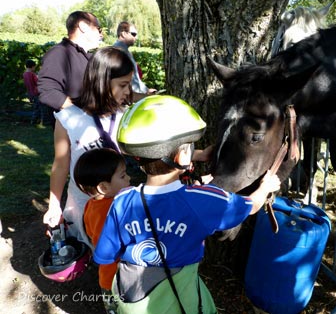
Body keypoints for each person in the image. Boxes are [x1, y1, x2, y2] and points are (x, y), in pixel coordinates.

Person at [93, 95, 281, 314]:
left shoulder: (121, 202)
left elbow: (106, 254)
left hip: (132, 303)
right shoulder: (203, 199)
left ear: (137, 157)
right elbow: (249, 205)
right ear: (183, 156)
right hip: (180, 300)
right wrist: (265, 187)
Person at [42, 46, 134, 250]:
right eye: (123, 84)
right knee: (95, 247)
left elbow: (138, 150)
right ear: (102, 82)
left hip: (120, 201)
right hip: (84, 203)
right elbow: (61, 163)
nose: (128, 91)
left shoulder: (124, 116)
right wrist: (54, 204)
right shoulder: (67, 118)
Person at [74, 148, 131, 314]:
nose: (129, 178)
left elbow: (92, 234)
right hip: (124, 277)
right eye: (122, 176)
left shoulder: (89, 206)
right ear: (104, 187)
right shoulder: (120, 206)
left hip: (106, 278)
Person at [37, 11, 103, 127]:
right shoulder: (60, 53)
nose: (101, 35)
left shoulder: (88, 57)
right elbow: (48, 91)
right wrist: (84, 115)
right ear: (83, 26)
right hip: (73, 133)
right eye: (99, 29)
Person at [113, 21, 154, 100]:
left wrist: (146, 90)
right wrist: (145, 95)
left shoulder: (125, 51)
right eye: (133, 34)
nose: (136, 37)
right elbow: (124, 82)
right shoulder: (118, 52)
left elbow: (135, 79)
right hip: (128, 100)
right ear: (123, 34)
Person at [23, 59, 44, 124]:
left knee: (36, 106)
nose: (34, 68)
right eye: (34, 67)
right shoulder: (32, 74)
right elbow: (38, 82)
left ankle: (35, 120)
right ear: (32, 66)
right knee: (39, 107)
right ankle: (37, 120)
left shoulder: (24, 74)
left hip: (30, 92)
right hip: (36, 92)